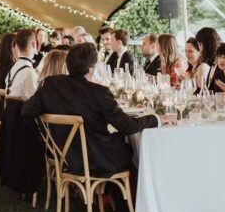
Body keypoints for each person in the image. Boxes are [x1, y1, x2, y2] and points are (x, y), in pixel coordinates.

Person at [22, 43, 162, 178]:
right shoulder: (99, 92)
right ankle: (122, 198)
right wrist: (156, 118)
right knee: (129, 148)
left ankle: (103, 197)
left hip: (66, 157)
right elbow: (127, 126)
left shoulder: (50, 85)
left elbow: (26, 110)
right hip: (98, 160)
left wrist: (50, 121)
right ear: (90, 69)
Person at [5, 29, 38, 99]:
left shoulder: (14, 68)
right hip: (20, 109)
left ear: (16, 45)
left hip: (9, 108)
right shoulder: (29, 72)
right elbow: (33, 103)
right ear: (33, 44)